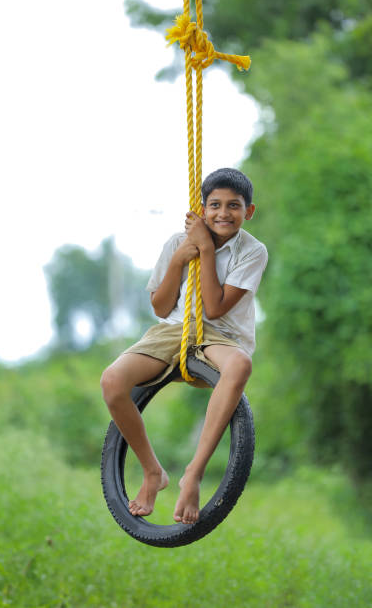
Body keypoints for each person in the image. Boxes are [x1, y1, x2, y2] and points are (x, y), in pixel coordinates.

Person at [101, 167, 268, 525]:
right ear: (202, 208)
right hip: (173, 330)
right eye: (215, 205)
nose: (223, 213)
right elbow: (161, 307)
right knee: (112, 382)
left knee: (239, 366)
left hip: (220, 334)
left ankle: (193, 473)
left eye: (234, 206)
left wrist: (206, 249)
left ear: (248, 211)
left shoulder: (253, 252)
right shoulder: (177, 242)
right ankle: (152, 471)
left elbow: (214, 308)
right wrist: (181, 257)